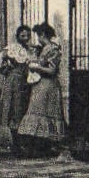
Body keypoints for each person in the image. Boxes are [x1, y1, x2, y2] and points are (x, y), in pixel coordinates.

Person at [16, 22, 66, 156]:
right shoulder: (43, 48)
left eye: (38, 35)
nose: (37, 38)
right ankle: (37, 148)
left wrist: (37, 67)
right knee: (36, 111)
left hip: (48, 85)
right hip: (39, 85)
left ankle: (46, 147)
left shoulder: (53, 49)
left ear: (43, 34)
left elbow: (52, 70)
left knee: (45, 113)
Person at [0, 25, 34, 152]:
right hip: (14, 83)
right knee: (15, 110)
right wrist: (6, 71)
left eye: (28, 35)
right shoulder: (12, 48)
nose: (25, 38)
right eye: (23, 35)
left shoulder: (30, 49)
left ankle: (24, 143)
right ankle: (16, 144)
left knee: (23, 110)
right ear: (17, 36)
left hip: (26, 83)